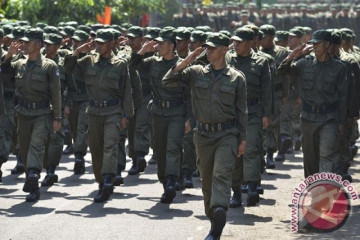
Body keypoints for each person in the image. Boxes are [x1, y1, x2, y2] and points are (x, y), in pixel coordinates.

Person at [163, 32, 247, 240]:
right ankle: (214, 220)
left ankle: (219, 210)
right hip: (203, 136)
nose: (208, 51)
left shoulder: (237, 78)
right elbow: (168, 79)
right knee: (207, 181)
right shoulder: (196, 72)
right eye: (207, 47)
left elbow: (242, 111)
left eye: (213, 47)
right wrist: (189, 59)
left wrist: (243, 139)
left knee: (221, 174)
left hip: (227, 134)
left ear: (224, 49)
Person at [64, 29, 133, 203]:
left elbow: (126, 91)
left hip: (112, 111)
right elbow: (68, 68)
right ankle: (102, 182)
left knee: (110, 145)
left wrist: (126, 114)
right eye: (97, 42)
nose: (98, 45)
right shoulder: (88, 61)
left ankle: (108, 178)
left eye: (102, 43)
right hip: (93, 112)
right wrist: (78, 51)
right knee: (96, 150)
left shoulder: (120, 64)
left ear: (111, 44)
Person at [1, 28, 61, 202]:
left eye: (28, 42)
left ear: (38, 44)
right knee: (25, 149)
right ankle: (32, 176)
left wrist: (57, 117)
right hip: (23, 113)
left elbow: (56, 93)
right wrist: (8, 56)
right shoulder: (19, 64)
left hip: (42, 113)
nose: (24, 45)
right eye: (24, 42)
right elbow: (4, 73)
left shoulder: (50, 66)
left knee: (36, 146)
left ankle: (33, 177)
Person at [131, 27, 189, 204]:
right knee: (160, 149)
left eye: (162, 43)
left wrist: (190, 118)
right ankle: (166, 181)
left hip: (177, 112)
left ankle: (171, 180)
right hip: (157, 112)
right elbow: (131, 66)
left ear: (171, 45)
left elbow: (190, 94)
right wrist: (142, 51)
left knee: (172, 146)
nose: (158, 45)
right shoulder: (152, 63)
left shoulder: (183, 65)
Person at [277, 30, 347, 177]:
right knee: (310, 158)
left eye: (317, 43)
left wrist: (342, 122)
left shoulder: (339, 68)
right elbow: (282, 72)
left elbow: (343, 97)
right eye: (313, 43)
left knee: (326, 154)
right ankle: (313, 186)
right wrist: (292, 56)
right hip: (308, 118)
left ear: (327, 44)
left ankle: (324, 189)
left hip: (330, 118)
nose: (314, 46)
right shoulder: (304, 63)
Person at [227, 27, 272, 207]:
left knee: (252, 148)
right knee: (234, 152)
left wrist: (267, 114)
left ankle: (252, 187)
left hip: (252, 111)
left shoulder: (261, 62)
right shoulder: (228, 59)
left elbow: (267, 90)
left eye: (239, 42)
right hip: (231, 112)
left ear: (250, 43)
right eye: (234, 42)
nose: (235, 45)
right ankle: (236, 192)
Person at [41, 33, 69, 186]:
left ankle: (51, 169)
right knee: (42, 139)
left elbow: (72, 86)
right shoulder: (38, 60)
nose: (47, 46)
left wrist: (67, 104)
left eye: (51, 44)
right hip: (40, 106)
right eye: (45, 43)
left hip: (58, 105)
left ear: (58, 46)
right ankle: (43, 167)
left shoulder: (64, 64)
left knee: (57, 138)